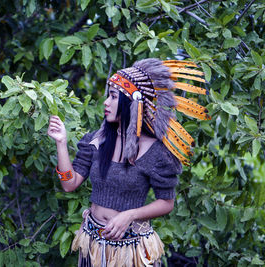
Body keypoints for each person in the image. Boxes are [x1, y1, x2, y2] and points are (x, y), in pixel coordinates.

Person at [47, 58, 210, 267]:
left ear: (131, 103)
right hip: (94, 245)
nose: (106, 102)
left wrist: (130, 215)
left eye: (113, 96)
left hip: (131, 251)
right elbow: (69, 184)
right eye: (108, 95)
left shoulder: (155, 152)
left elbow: (167, 202)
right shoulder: (96, 141)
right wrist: (61, 142)